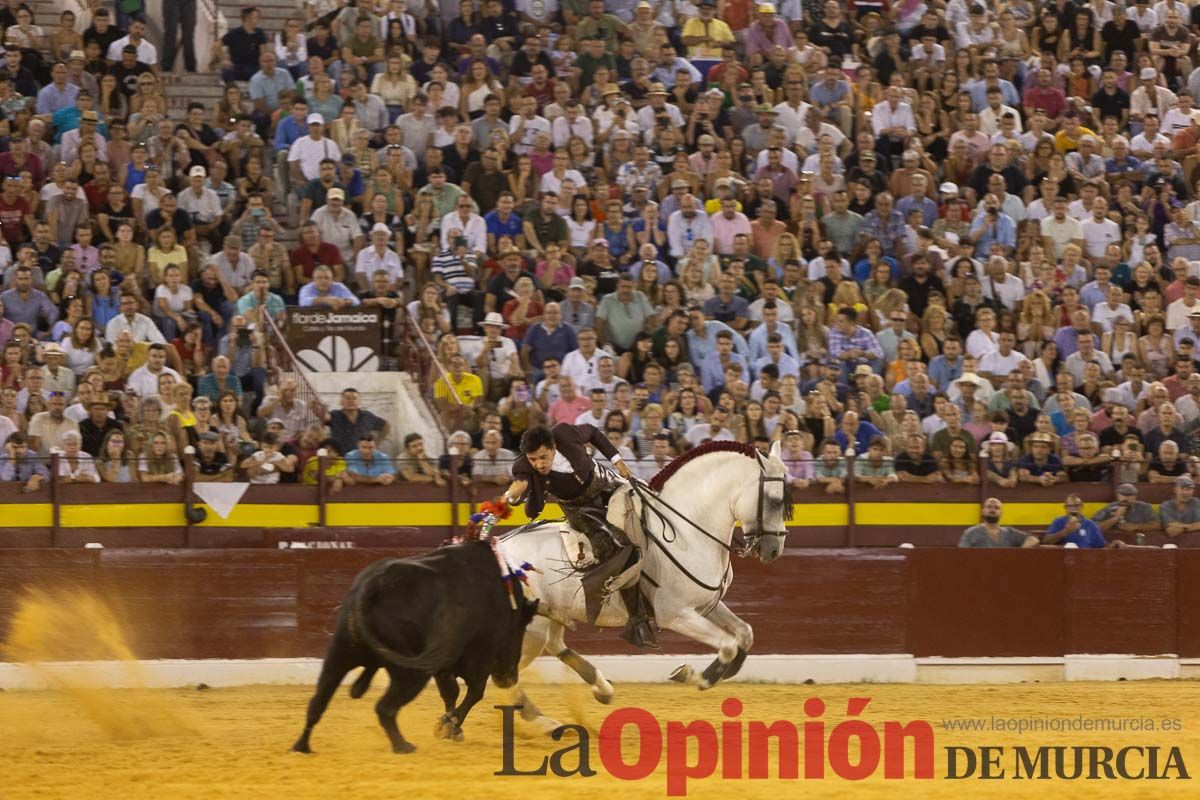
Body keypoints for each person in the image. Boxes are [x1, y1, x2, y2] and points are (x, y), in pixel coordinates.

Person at [503, 422, 655, 649]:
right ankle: (637, 619)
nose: (539, 464)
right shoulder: (524, 469)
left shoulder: (565, 433)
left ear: (553, 446)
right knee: (615, 545)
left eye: (543, 457)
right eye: (533, 459)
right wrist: (515, 495)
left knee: (653, 505)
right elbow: (531, 510)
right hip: (581, 509)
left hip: (606, 483)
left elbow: (593, 432)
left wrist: (617, 460)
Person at [958, 497, 1039, 547]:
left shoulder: (1009, 532)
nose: (992, 510)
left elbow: (1033, 539)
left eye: (996, 508)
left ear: (1001, 513)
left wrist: (1019, 553)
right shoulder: (971, 532)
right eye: (989, 507)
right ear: (982, 511)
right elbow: (962, 555)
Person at [1093, 483, 1161, 539]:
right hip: (1114, 540)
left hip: (1137, 540)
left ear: (1135, 496)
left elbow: (1157, 525)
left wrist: (1136, 526)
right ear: (1117, 495)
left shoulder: (1144, 507)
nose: (1125, 498)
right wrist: (1115, 518)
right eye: (1122, 494)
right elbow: (1094, 528)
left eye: (1129, 495)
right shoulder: (1109, 507)